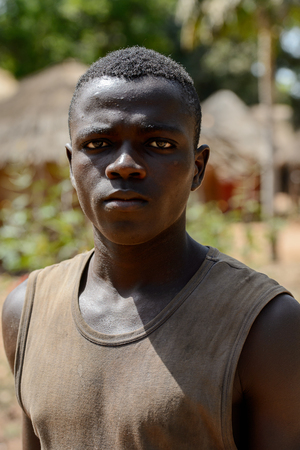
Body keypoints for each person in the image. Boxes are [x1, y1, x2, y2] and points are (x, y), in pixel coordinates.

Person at [2, 46, 300, 450]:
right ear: (72, 166)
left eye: (158, 144)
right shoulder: (27, 311)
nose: (124, 164)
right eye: (97, 143)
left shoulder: (266, 326)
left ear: (197, 169)